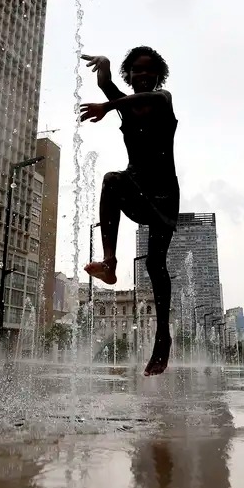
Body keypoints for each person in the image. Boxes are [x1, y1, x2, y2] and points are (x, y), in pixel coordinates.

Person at [78, 47, 179, 376]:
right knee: (111, 181)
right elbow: (108, 86)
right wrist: (105, 67)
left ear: (158, 75)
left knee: (154, 262)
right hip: (135, 186)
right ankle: (109, 263)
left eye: (149, 71)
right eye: (136, 71)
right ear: (130, 75)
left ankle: (162, 337)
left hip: (163, 194)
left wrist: (109, 105)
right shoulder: (127, 105)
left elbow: (131, 101)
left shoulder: (163, 98)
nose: (143, 76)